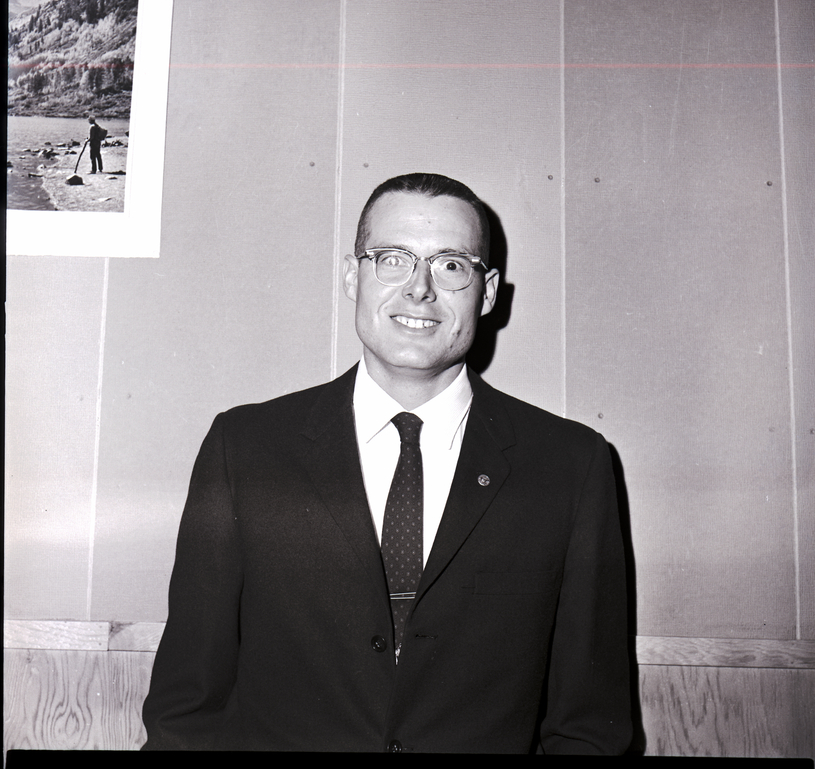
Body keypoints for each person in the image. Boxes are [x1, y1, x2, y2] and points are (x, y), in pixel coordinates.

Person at [142, 173, 632, 754]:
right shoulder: (245, 448)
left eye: (451, 265)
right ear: (354, 276)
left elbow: (588, 726)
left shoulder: (570, 465)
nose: (419, 289)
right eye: (393, 259)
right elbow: (187, 709)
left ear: (487, 292)